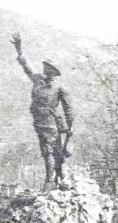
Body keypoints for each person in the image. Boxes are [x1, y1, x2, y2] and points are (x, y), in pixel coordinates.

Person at [12, 32, 74, 186]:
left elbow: (68, 109)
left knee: (49, 152)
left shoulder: (59, 88)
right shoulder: (38, 80)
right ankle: (57, 178)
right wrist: (19, 51)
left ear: (54, 72)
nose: (45, 69)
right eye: (45, 66)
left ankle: (49, 182)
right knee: (52, 152)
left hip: (51, 123)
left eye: (48, 68)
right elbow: (27, 68)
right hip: (38, 122)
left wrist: (71, 126)